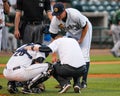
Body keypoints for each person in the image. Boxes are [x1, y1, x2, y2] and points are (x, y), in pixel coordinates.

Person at [49, 2, 92, 89]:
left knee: (84, 54)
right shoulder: (55, 20)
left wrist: (81, 40)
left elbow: (85, 26)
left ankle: (83, 82)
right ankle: (65, 82)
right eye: (56, 14)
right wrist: (54, 54)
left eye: (59, 14)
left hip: (84, 30)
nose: (58, 16)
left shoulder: (74, 15)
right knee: (66, 54)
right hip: (71, 32)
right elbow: (53, 36)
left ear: (64, 11)